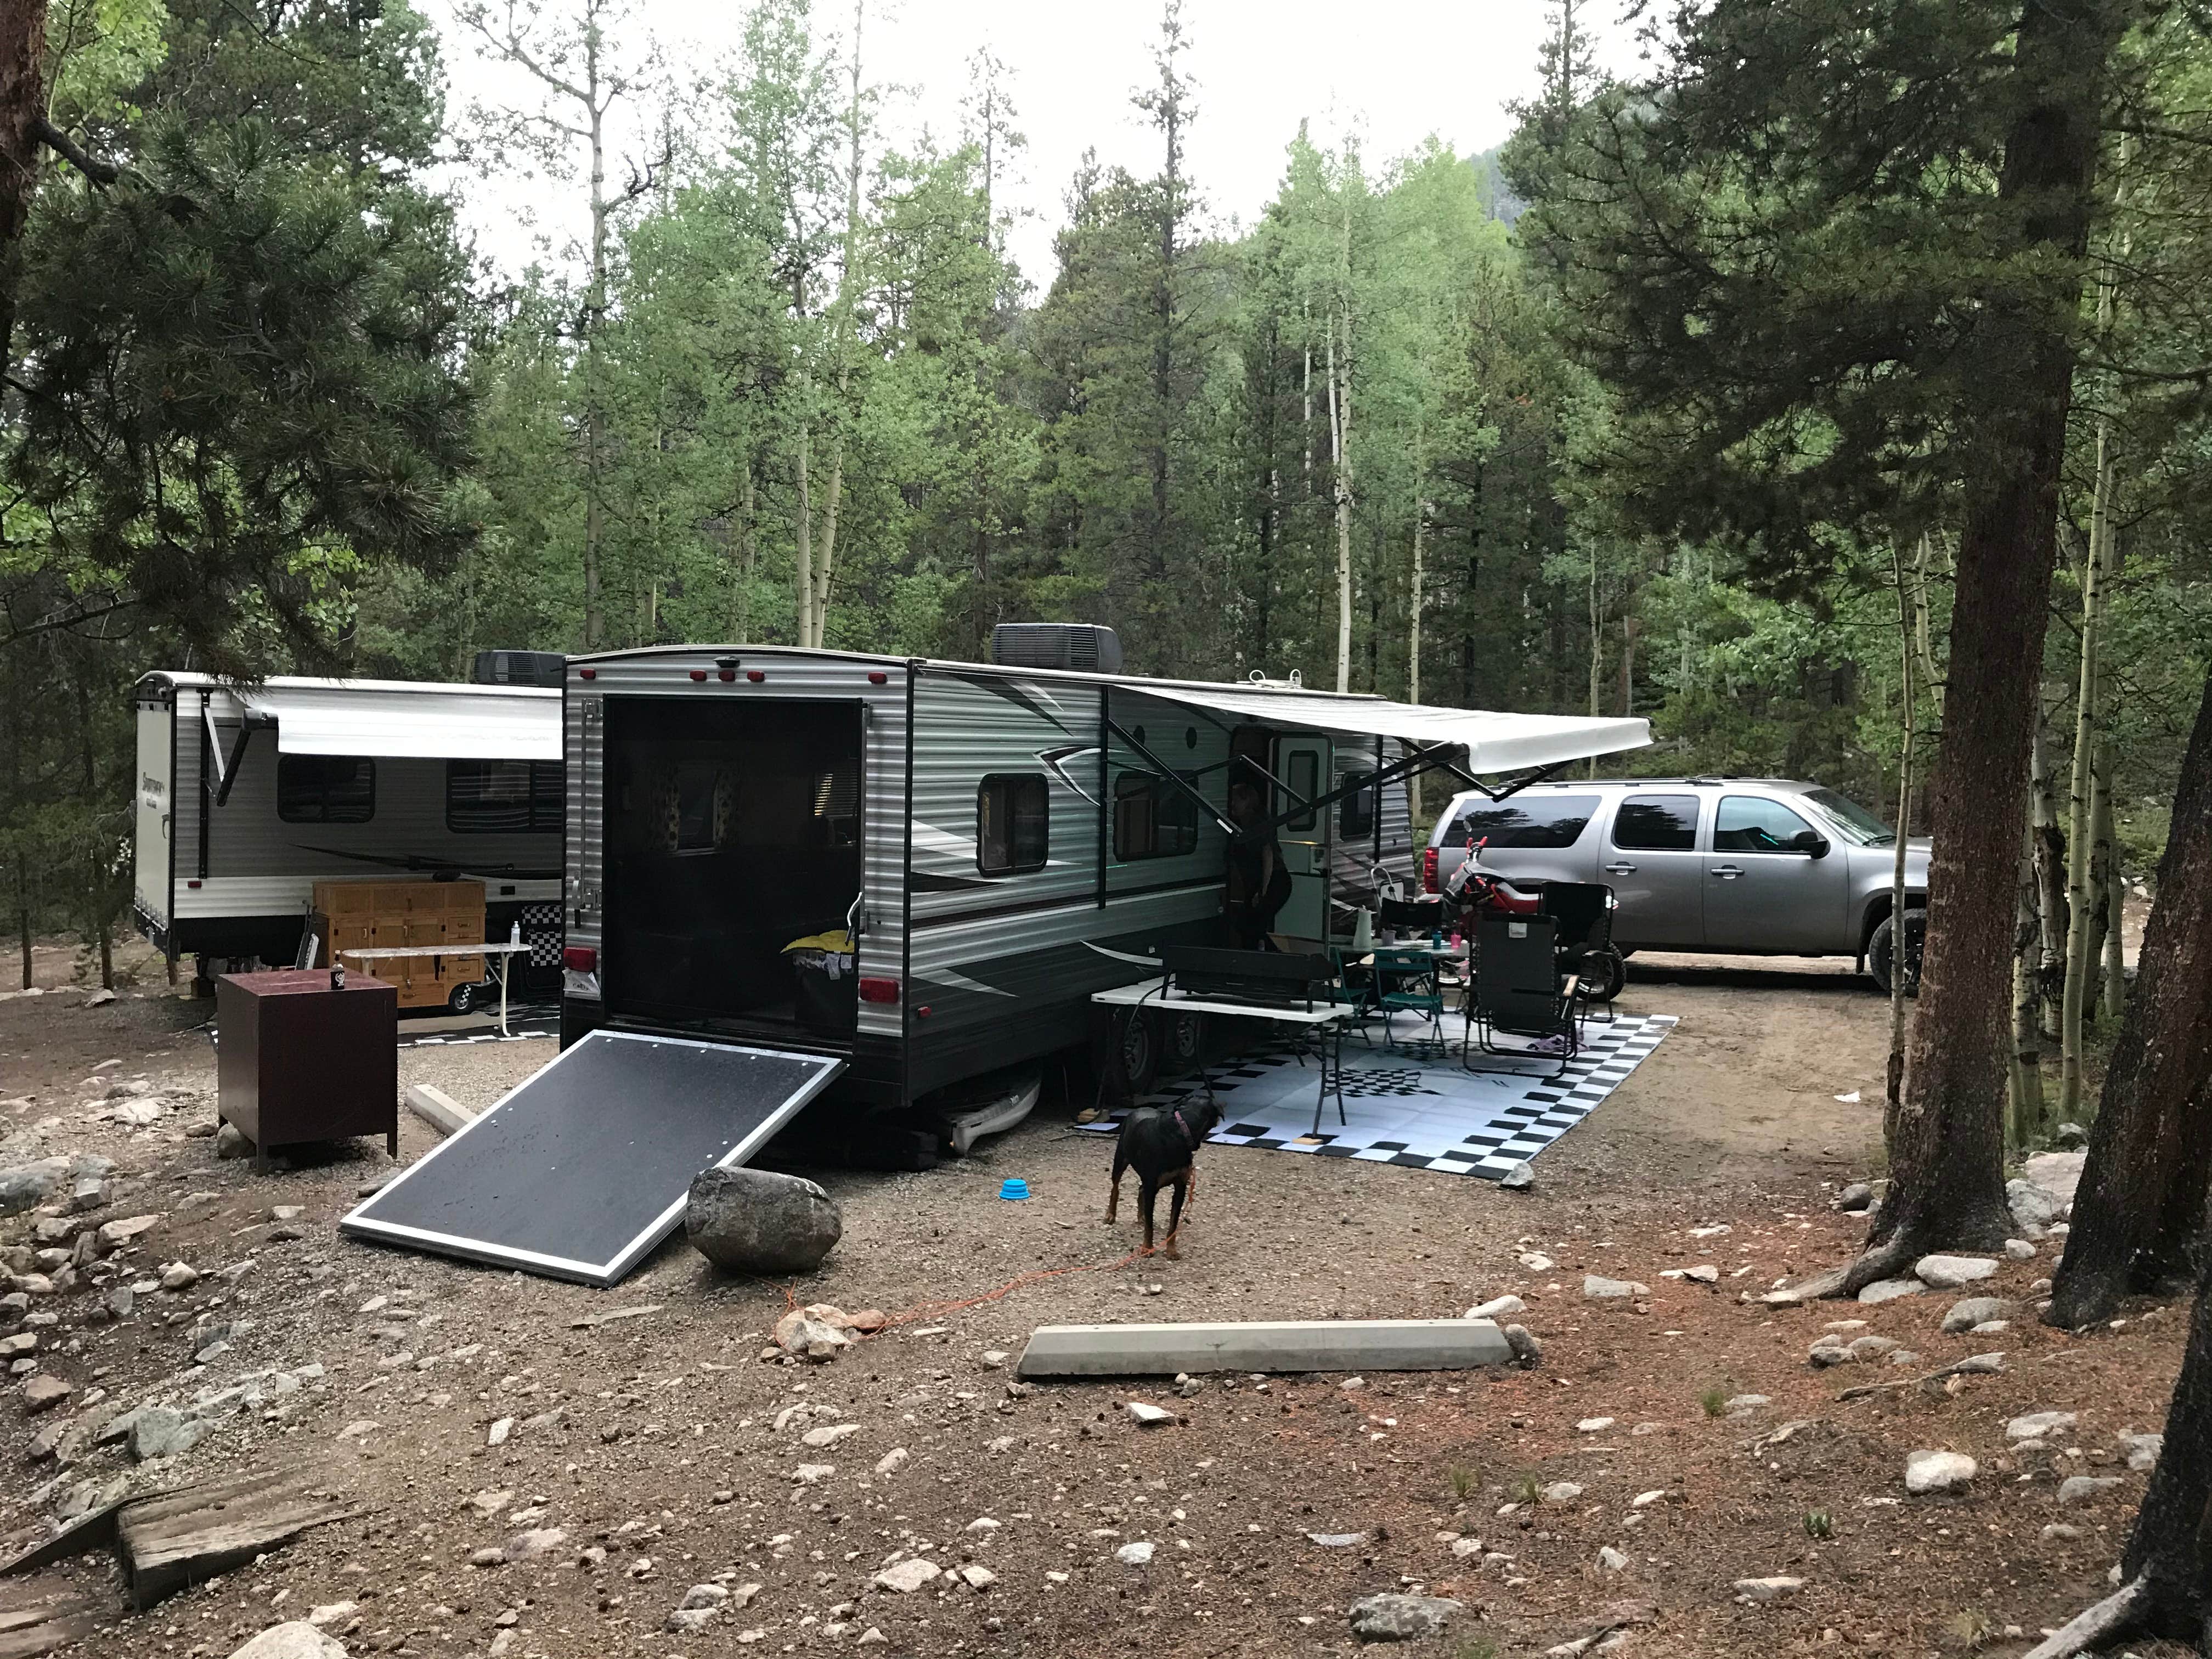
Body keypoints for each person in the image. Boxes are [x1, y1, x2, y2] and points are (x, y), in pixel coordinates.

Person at [1225, 780, 1294, 949]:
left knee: (1252, 927)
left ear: (1247, 801)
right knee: (1248, 925)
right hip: (1261, 882)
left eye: (1236, 800)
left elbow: (1268, 854)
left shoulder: (1256, 822)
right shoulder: (1243, 823)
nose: (1232, 804)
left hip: (1274, 881)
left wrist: (1262, 890)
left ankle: (1276, 960)